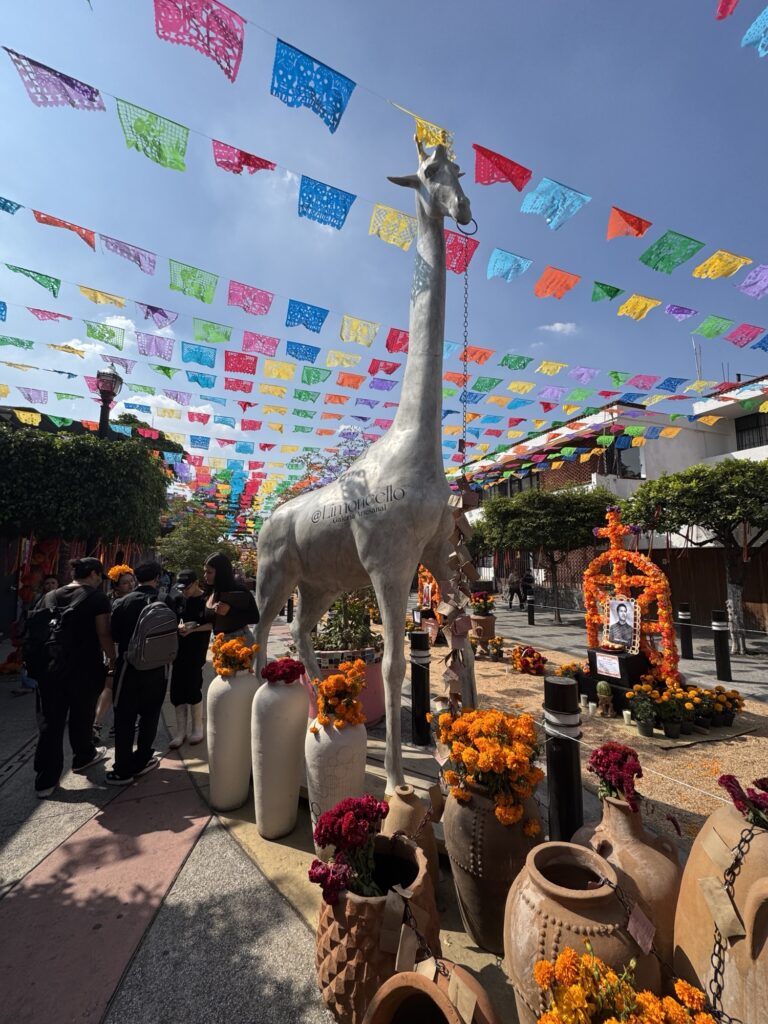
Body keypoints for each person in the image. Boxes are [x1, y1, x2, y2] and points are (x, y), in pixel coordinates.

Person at [32, 558, 113, 799]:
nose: (100, 581)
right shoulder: (97, 598)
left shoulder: (49, 596)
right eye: (99, 577)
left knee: (50, 723)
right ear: (94, 574)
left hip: (50, 669)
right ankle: (83, 756)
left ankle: (45, 780)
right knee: (82, 715)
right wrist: (113, 658)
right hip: (84, 669)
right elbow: (103, 633)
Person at [107, 561, 171, 786]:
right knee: (150, 714)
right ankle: (143, 758)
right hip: (158, 667)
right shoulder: (165, 600)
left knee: (124, 716)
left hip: (129, 666)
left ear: (136, 579)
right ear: (157, 578)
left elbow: (114, 635)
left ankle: (122, 769)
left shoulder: (122, 602)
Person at [168, 569, 211, 748]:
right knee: (177, 690)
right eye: (181, 589)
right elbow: (174, 620)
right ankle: (180, 732)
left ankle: (197, 727)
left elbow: (212, 624)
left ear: (196, 583)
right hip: (178, 650)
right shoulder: (178, 600)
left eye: (187, 588)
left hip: (196, 651)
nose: (184, 592)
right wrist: (179, 627)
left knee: (193, 687)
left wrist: (193, 629)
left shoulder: (206, 599)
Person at [93, 565, 136, 739]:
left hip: (127, 648)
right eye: (125, 583)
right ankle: (96, 724)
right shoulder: (109, 602)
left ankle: (117, 724)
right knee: (110, 685)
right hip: (114, 647)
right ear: (116, 586)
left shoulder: (134, 599)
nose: (130, 585)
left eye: (132, 581)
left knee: (121, 686)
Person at [16, 574, 59, 696]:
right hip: (36, 635)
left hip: (52, 636)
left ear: (58, 585)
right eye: (47, 583)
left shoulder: (62, 598)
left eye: (53, 583)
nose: (50, 586)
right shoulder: (37, 598)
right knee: (30, 659)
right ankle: (28, 684)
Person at [203, 552, 259, 642]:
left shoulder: (239, 590)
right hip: (218, 641)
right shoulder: (210, 591)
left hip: (239, 642)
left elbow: (254, 617)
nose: (205, 575)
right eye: (205, 571)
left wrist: (230, 611)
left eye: (209, 572)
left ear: (221, 573)